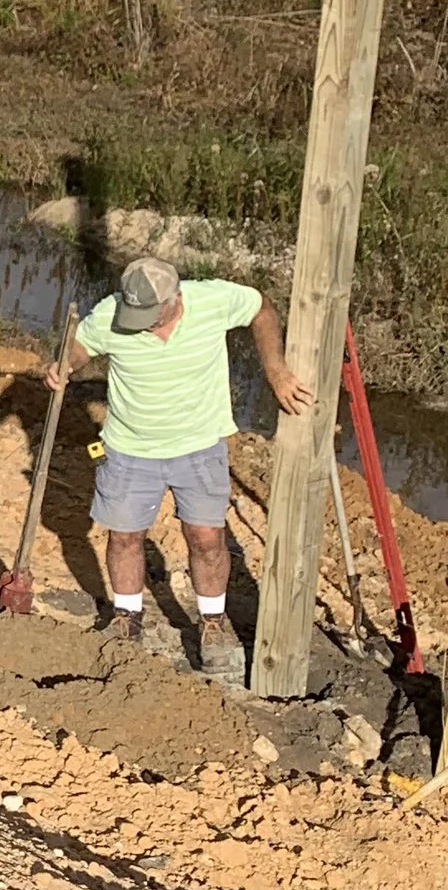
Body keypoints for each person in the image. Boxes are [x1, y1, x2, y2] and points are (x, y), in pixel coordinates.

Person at [53, 257, 310, 685]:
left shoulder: (213, 300)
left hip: (199, 445)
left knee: (207, 539)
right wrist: (65, 365)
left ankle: (212, 622)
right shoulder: (111, 315)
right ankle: (126, 617)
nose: (144, 326)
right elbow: (80, 346)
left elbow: (262, 309)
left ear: (177, 298)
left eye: (151, 317)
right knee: (124, 536)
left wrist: (276, 370)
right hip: (130, 447)